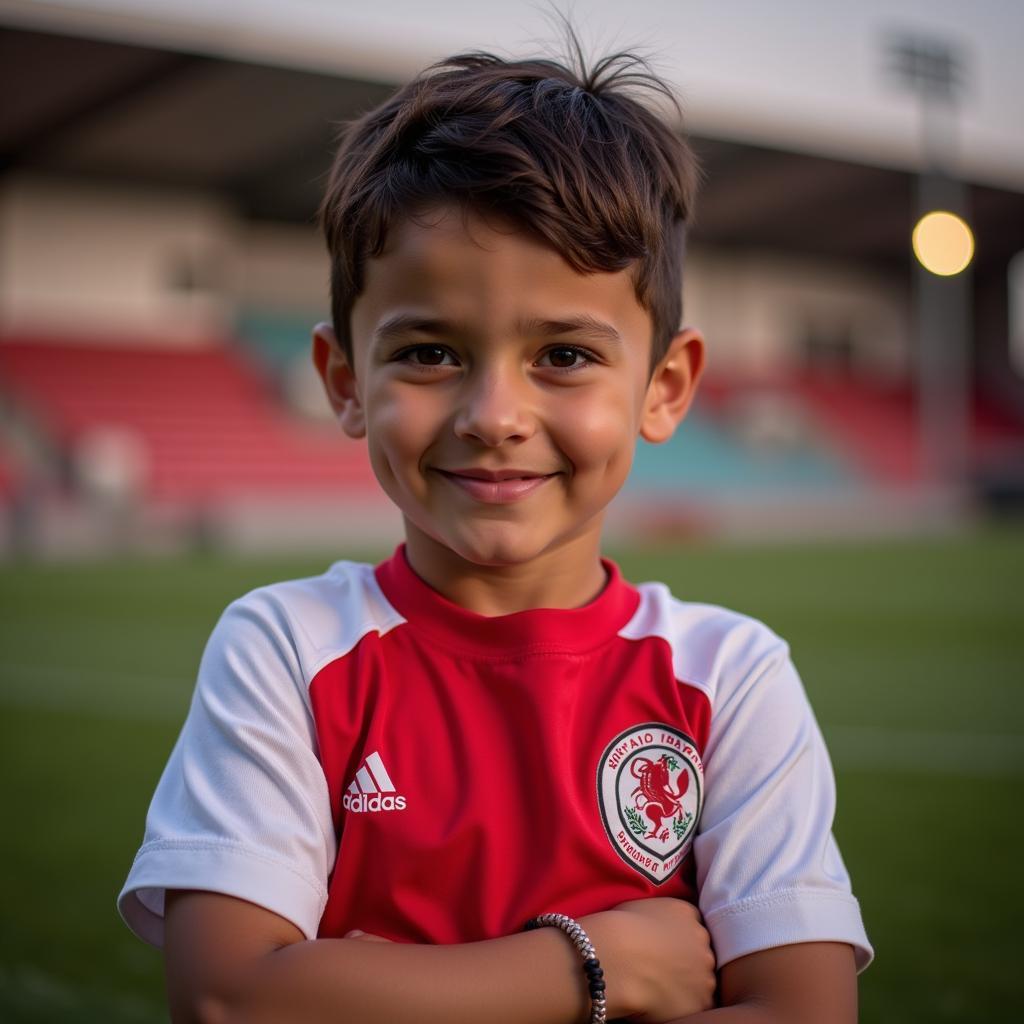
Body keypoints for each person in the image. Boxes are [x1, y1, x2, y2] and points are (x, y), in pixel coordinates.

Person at [118, 32, 872, 1024]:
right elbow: (228, 999)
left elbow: (805, 1012)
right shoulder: (285, 650)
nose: (492, 415)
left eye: (562, 353)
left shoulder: (729, 676)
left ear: (666, 386)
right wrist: (591, 965)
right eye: (430, 351)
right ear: (346, 383)